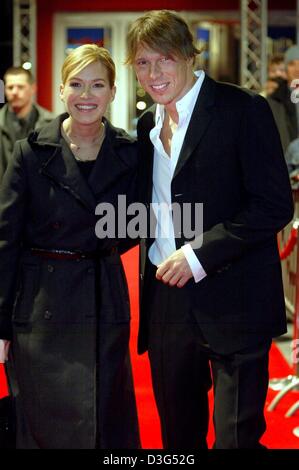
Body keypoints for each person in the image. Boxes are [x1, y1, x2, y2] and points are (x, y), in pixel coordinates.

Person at [126, 10, 294, 449]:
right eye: (143, 62)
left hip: (234, 297)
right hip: (166, 300)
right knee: (178, 439)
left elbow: (274, 204)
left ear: (188, 56)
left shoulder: (243, 108)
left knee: (236, 439)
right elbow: (153, 210)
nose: (153, 73)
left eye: (163, 58)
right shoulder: (147, 126)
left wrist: (199, 254)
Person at [0, 44, 140, 449]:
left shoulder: (129, 153)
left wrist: (101, 246)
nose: (86, 95)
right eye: (76, 84)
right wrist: (1, 322)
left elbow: (137, 223)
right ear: (61, 90)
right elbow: (6, 240)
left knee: (104, 422)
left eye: (97, 85)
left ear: (113, 91)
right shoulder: (30, 153)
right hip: (42, 306)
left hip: (103, 300)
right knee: (46, 426)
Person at [0, 66, 54, 181]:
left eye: (20, 87)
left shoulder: (51, 123)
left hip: (39, 195)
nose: (14, 92)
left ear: (33, 89)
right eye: (10, 87)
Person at [268, 45, 299, 155]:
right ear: (286, 69)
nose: (297, 69)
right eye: (292, 64)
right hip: (284, 164)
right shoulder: (273, 101)